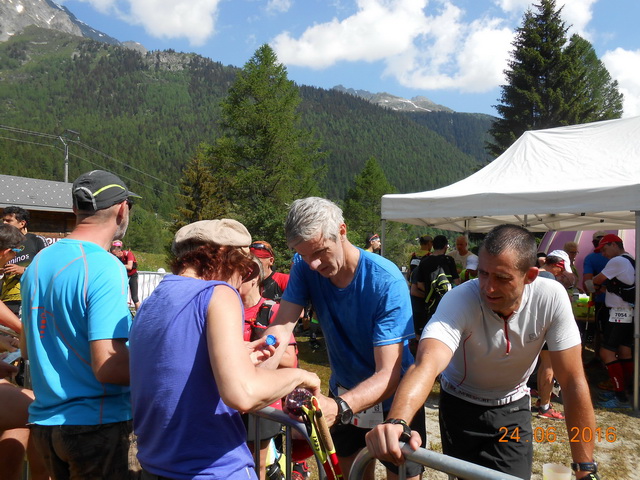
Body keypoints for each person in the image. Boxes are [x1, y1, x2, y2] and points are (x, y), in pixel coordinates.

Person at [366, 224, 599, 480]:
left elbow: (572, 380)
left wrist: (584, 467)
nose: (487, 287)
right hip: (460, 407)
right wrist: (397, 421)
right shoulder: (461, 299)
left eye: (502, 278)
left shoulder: (552, 297)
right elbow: (426, 365)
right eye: (483, 274)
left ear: (530, 275)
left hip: (513, 408)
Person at [129, 219, 319, 480]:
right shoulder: (219, 292)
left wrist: (241, 356)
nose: (241, 280)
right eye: (242, 269)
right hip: (213, 468)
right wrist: (301, 376)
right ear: (223, 257)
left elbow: (175, 369)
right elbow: (242, 395)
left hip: (156, 464)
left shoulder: (153, 301)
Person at [263, 197, 425, 480]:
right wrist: (254, 373)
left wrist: (339, 408)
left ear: (342, 231)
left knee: (401, 475)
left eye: (320, 252)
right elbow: (282, 327)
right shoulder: (305, 267)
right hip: (345, 395)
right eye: (304, 255)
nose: (313, 265)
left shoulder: (386, 282)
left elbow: (388, 374)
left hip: (393, 403)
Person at [20, 170, 140, 479]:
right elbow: (108, 366)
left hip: (47, 424)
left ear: (76, 210)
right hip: (97, 425)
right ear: (122, 209)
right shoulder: (104, 266)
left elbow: (27, 345)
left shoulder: (37, 263)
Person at [239, 255, 302, 480]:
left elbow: (289, 360)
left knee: (257, 465)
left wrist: (251, 348)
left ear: (254, 278)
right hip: (232, 399)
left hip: (262, 401)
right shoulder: (227, 311)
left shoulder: (272, 310)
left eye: (238, 275)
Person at [591, 234, 635, 409]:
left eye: (604, 249)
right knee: (625, 352)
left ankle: (620, 397)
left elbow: (596, 280)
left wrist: (593, 283)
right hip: (628, 311)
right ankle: (626, 391)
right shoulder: (629, 259)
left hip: (618, 313)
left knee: (606, 353)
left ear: (614, 244)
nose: (603, 254)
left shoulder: (617, 261)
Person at [533, 252, 573, 421]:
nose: (561, 274)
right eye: (561, 270)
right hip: (547, 327)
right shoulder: (549, 278)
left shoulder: (533, 272)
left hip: (533, 326)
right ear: (558, 265)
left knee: (544, 365)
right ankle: (545, 407)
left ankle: (542, 400)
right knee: (549, 366)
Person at [410, 234, 459, 339]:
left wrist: (430, 290)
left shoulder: (424, 261)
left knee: (431, 332)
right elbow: (457, 282)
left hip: (430, 303)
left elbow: (420, 284)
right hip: (448, 302)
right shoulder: (449, 260)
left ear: (433, 246)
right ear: (445, 246)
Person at [1, 206, 47, 316]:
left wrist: (24, 270)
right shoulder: (4, 241)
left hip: (28, 300)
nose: (4, 223)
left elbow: (49, 269)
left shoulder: (37, 240)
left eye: (9, 220)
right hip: (5, 301)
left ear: (22, 223)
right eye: (3, 220)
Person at [582, 231, 609, 365]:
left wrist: (595, 291)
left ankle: (600, 358)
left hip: (601, 300)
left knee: (600, 332)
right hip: (621, 301)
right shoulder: (621, 257)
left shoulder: (591, 258)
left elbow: (588, 283)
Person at [110, 240, 141, 309]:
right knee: (121, 297)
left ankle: (140, 316)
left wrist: (118, 265)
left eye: (115, 255)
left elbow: (129, 266)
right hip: (124, 277)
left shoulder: (128, 254)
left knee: (135, 298)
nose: (114, 257)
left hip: (132, 276)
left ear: (119, 251)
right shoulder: (115, 256)